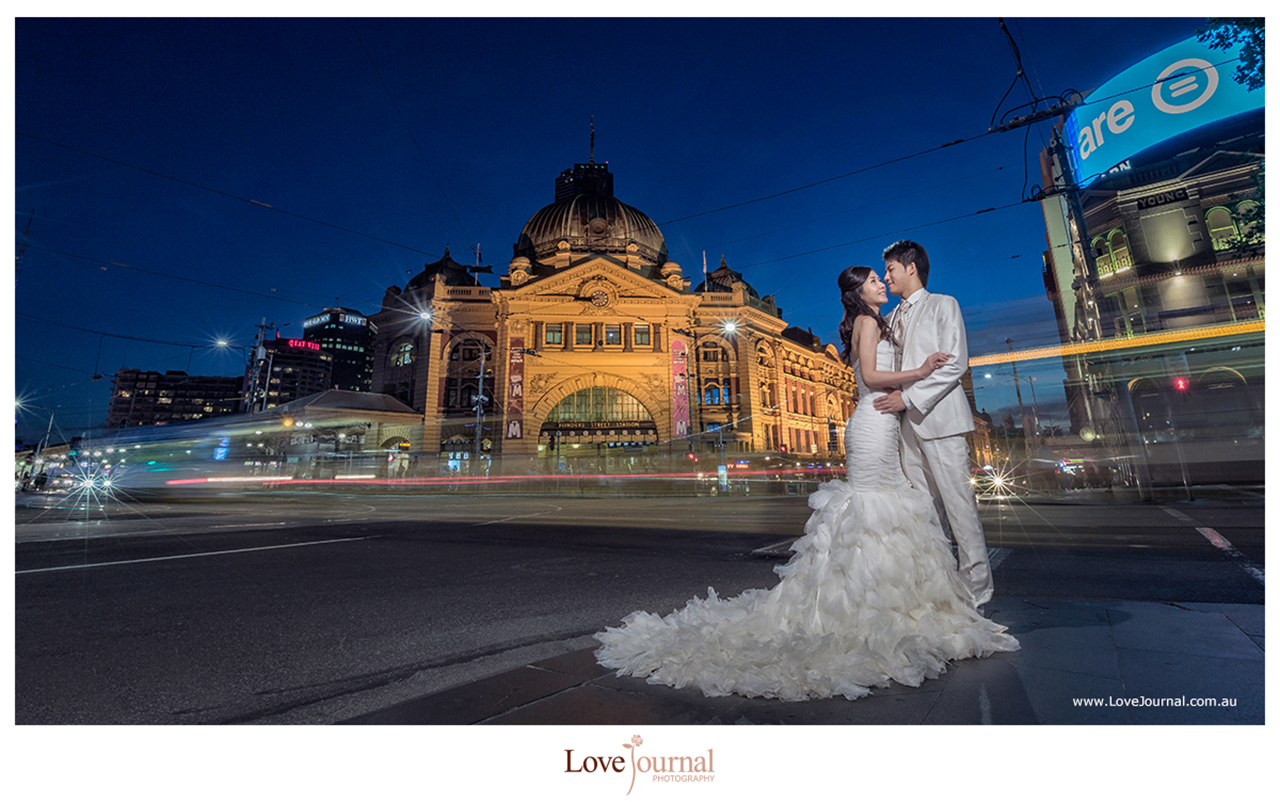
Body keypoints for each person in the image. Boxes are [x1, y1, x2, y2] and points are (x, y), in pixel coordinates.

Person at [594, 266, 1017, 701]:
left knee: (884, 514)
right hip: (874, 424)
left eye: (882, 276)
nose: (882, 283)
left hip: (883, 424)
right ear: (858, 290)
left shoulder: (874, 321)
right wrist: (921, 371)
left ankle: (880, 604)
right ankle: (865, 610)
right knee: (872, 511)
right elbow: (870, 379)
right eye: (875, 279)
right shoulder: (869, 322)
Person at [874, 240, 994, 605]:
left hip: (941, 421)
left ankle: (976, 596)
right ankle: (938, 591)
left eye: (890, 268)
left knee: (960, 508)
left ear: (911, 267)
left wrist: (908, 398)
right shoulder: (890, 319)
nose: (885, 276)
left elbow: (956, 364)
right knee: (924, 514)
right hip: (907, 428)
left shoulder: (944, 304)